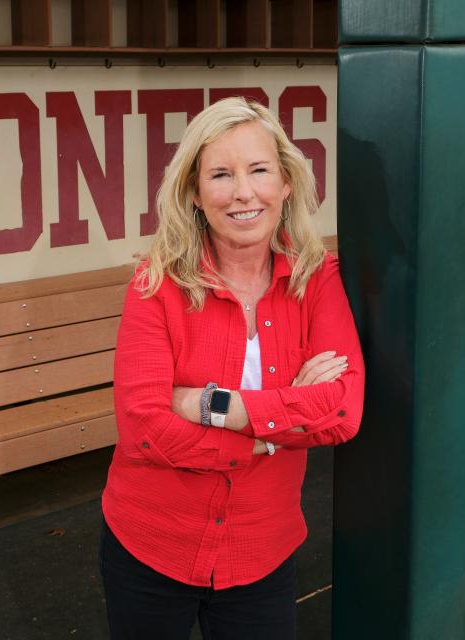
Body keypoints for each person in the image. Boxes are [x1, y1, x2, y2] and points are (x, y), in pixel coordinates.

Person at [100, 97, 364, 639]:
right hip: (150, 545)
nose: (243, 192)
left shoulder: (319, 279)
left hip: (260, 552)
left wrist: (212, 405)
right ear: (195, 194)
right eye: (221, 174)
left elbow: (341, 409)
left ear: (286, 183)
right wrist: (270, 435)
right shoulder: (156, 284)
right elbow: (144, 430)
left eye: (259, 170)